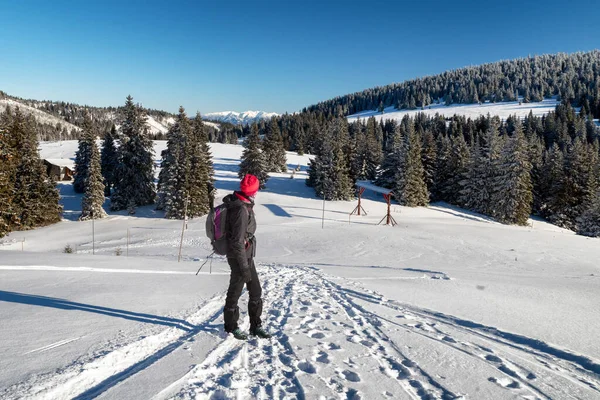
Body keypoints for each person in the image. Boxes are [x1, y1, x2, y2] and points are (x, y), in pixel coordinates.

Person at [222, 174, 271, 340]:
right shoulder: (240, 210)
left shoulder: (244, 203)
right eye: (256, 189)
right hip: (239, 257)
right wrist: (243, 266)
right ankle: (231, 327)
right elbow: (236, 241)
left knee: (255, 291)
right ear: (253, 191)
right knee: (235, 291)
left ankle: (255, 326)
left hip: (246, 255)